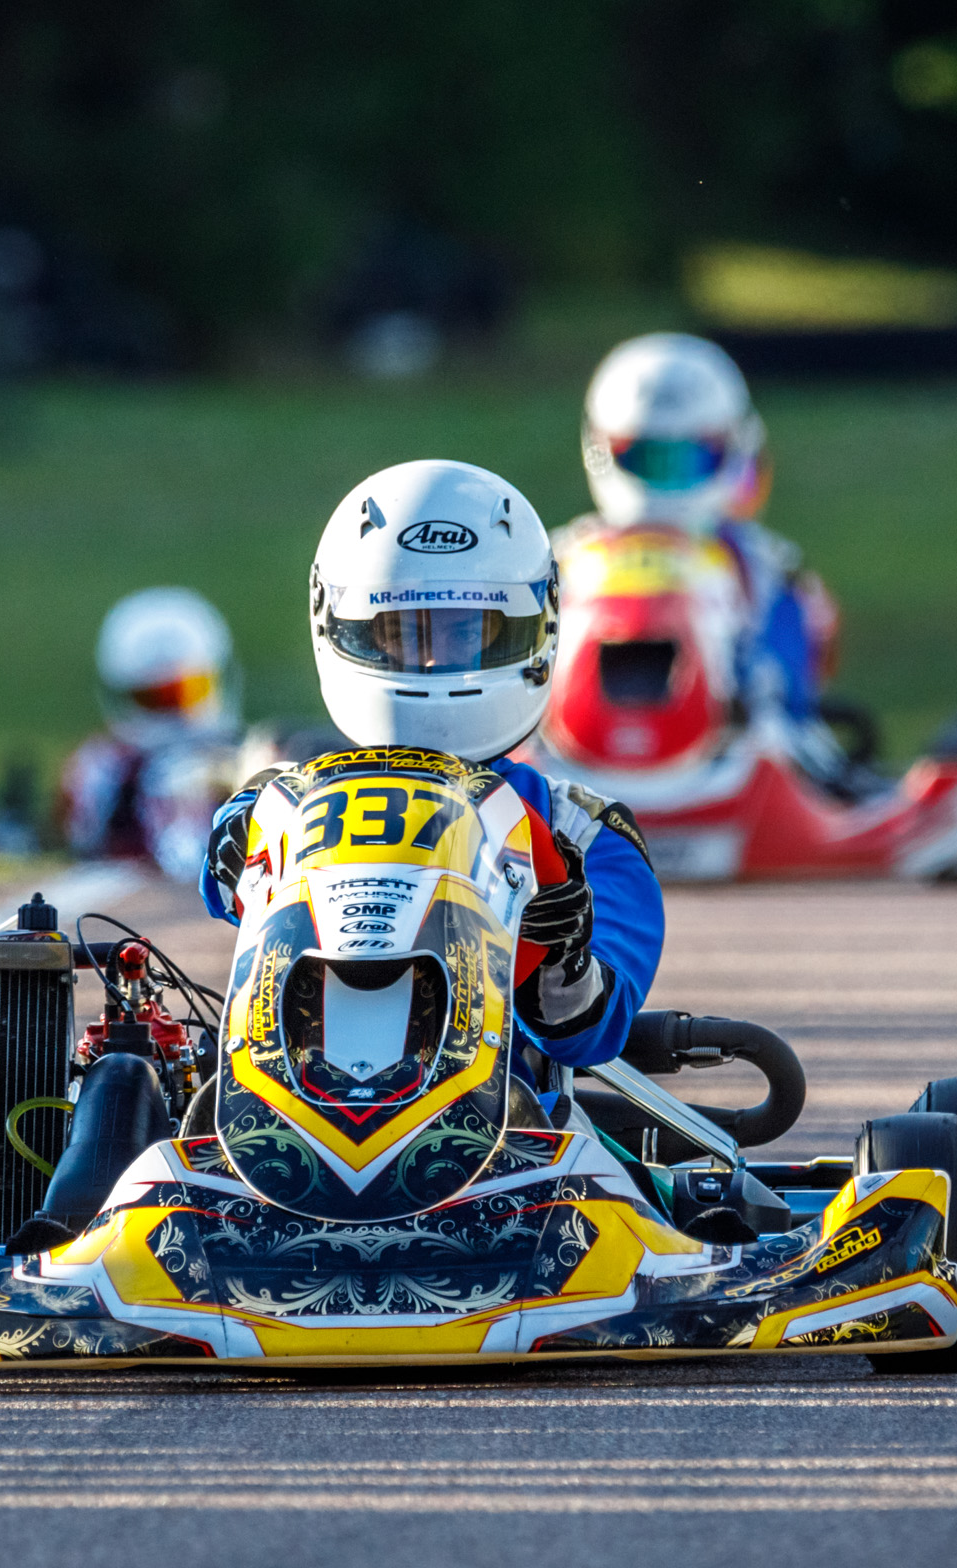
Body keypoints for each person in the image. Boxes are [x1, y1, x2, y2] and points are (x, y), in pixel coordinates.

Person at [201, 459, 663, 1067]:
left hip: (496, 1113)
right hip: (289, 1095)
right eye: (401, 633)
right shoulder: (286, 801)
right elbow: (219, 885)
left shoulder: (584, 833)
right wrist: (241, 842)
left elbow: (590, 1035)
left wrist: (561, 956)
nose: (430, 662)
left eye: (466, 633)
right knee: (128, 1073)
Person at [569, 332, 836, 739]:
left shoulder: (768, 570)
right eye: (648, 458)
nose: (668, 480)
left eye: (690, 459)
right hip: (575, 751)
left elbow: (799, 697)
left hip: (736, 754)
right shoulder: (562, 559)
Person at [57, 586, 241, 880]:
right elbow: (75, 834)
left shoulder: (245, 756)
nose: (174, 714)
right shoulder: (104, 767)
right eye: (156, 698)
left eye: (187, 691)